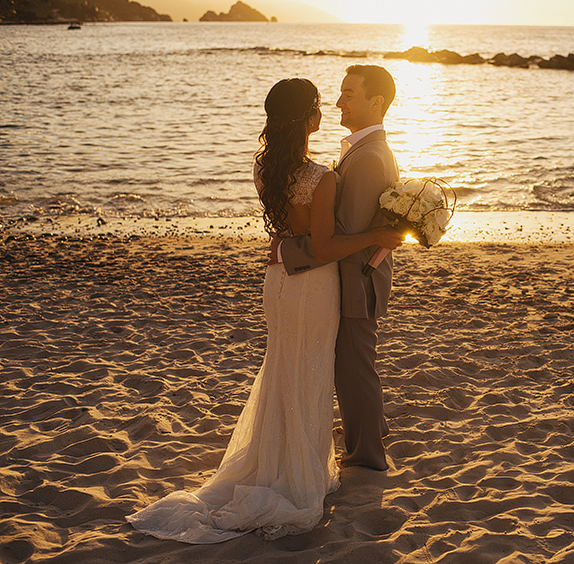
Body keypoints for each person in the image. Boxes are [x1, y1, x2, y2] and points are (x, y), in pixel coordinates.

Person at [126, 78, 402, 544]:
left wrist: (290, 243)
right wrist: (377, 237)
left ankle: (281, 465)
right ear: (307, 119)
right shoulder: (322, 176)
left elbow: (289, 234)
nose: (327, 108)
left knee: (281, 371)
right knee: (307, 374)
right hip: (312, 287)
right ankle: (298, 477)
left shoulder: (264, 168)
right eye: (319, 105)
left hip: (276, 284)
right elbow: (324, 245)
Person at [274, 65, 399, 471]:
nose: (340, 102)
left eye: (349, 93)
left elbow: (342, 233)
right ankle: (370, 437)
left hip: (355, 280)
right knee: (356, 366)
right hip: (355, 277)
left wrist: (285, 251)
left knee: (354, 371)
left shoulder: (366, 159)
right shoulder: (362, 150)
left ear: (375, 102)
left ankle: (366, 457)